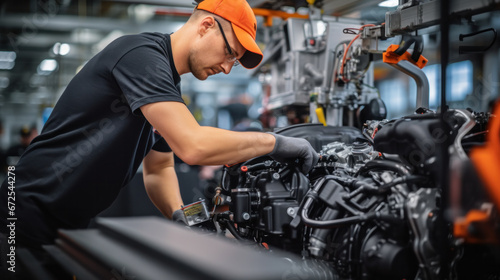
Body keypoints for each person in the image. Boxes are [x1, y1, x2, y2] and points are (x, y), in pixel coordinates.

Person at [0, 0, 318, 264]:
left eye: (232, 61)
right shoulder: (140, 55)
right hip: (23, 213)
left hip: (67, 223)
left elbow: (159, 168)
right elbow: (192, 146)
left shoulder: (167, 86)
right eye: (230, 52)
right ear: (206, 25)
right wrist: (275, 143)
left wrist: (179, 214)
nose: (225, 66)